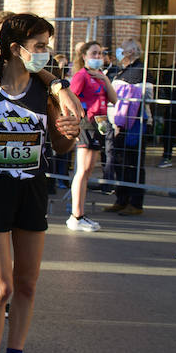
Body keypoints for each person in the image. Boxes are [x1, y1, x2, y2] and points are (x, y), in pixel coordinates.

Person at [0, 13, 80, 353]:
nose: (46, 54)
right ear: (16, 49)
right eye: (39, 46)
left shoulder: (45, 90)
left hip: (33, 188)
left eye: (47, 45)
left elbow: (61, 144)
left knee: (27, 285)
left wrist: (70, 133)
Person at [67, 41, 117, 231]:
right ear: (84, 56)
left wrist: (105, 81)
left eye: (101, 53)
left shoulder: (100, 76)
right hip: (86, 124)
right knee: (83, 170)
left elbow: (114, 99)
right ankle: (76, 215)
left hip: (100, 124)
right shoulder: (81, 76)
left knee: (88, 171)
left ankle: (80, 214)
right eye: (94, 53)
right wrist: (75, 122)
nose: (98, 57)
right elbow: (70, 98)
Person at [105, 39, 150, 216]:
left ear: (130, 52)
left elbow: (140, 98)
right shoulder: (121, 71)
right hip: (117, 124)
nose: (119, 51)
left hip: (132, 124)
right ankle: (121, 199)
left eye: (122, 49)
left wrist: (122, 121)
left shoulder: (140, 71)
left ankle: (135, 202)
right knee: (119, 162)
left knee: (133, 163)